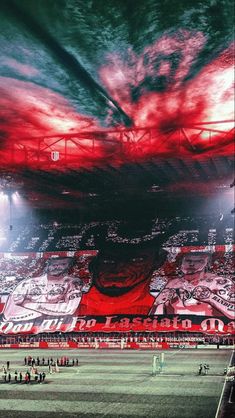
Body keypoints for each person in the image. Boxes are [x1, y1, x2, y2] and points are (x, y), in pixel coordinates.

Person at [78, 232, 166, 315]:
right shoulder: (75, 306)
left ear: (158, 261)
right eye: (108, 260)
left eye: (135, 260)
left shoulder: (161, 306)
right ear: (93, 264)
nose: (118, 269)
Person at [3, 257, 91, 322]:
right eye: (54, 264)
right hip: (20, 325)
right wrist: (51, 309)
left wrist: (28, 303)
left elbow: (68, 309)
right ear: (47, 265)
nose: (57, 267)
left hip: (55, 326)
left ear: (69, 266)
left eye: (63, 264)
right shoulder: (29, 282)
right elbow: (10, 313)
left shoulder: (73, 283)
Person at [149, 252, 235, 318]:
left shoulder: (220, 282)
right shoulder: (173, 283)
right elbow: (154, 317)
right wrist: (158, 303)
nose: (192, 264)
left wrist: (211, 297)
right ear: (181, 263)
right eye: (188, 261)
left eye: (199, 261)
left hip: (212, 334)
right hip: (178, 334)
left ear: (207, 264)